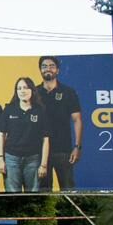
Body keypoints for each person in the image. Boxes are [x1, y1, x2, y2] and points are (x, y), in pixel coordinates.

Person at [35, 55, 83, 191]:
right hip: (40, 151)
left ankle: (71, 213)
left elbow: (77, 120)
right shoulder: (34, 93)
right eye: (44, 66)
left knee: (68, 190)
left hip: (63, 149)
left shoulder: (68, 92)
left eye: (51, 66)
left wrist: (77, 147)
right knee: (44, 193)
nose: (47, 69)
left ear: (58, 70)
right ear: (40, 70)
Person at [0, 76, 50, 193]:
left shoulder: (40, 111)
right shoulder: (9, 109)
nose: (22, 91)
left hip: (33, 160)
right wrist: (0, 159)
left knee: (32, 198)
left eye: (25, 87)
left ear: (32, 90)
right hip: (11, 159)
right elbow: (1, 135)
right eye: (19, 88)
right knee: (12, 197)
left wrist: (43, 165)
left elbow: (45, 139)